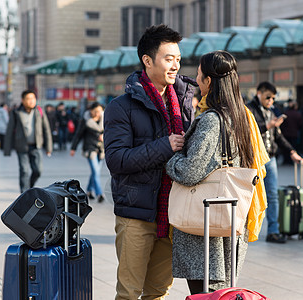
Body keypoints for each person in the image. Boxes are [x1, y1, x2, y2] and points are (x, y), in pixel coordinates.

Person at [103, 24, 197, 299]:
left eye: (178, 59)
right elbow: (117, 160)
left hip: (173, 215)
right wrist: (163, 146)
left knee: (157, 292)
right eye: (169, 59)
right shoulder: (121, 107)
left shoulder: (186, 102)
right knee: (130, 293)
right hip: (136, 215)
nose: (175, 66)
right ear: (147, 60)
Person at [166, 50, 269, 294]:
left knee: (207, 295)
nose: (197, 80)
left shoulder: (213, 120)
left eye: (199, 75)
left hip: (207, 233)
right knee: (222, 294)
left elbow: (191, 171)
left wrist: (172, 159)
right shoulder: (243, 116)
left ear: (209, 81)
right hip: (230, 221)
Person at [246, 82, 303, 243]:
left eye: (273, 98)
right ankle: (245, 231)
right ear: (259, 93)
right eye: (268, 97)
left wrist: (292, 152)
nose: (271, 100)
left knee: (272, 196)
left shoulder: (271, 111)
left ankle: (273, 231)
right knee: (250, 197)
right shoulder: (249, 110)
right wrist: (269, 125)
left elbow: (278, 136)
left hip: (271, 159)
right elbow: (249, 130)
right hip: (255, 160)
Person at [4, 90, 53, 193]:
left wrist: (49, 147)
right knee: (24, 171)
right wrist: (7, 149)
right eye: (28, 99)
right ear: (23, 100)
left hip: (36, 145)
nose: (31, 101)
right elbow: (9, 130)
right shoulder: (16, 112)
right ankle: (24, 192)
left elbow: (46, 129)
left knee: (38, 170)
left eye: (33, 98)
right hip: (21, 146)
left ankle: (29, 186)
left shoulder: (39, 111)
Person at [70, 102, 105, 203]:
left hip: (101, 150)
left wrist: (104, 136)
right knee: (95, 171)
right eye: (96, 111)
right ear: (91, 111)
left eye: (99, 111)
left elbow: (112, 131)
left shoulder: (105, 119)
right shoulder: (86, 120)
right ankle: (99, 194)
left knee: (95, 172)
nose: (98, 113)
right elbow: (78, 134)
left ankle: (89, 190)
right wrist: (73, 148)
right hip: (90, 150)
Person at [280, 100, 303, 165]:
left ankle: (286, 160)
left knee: (286, 147)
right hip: (294, 133)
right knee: (293, 146)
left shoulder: (285, 113)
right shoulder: (298, 114)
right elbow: (300, 124)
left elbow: (282, 124)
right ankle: (292, 160)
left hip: (286, 133)